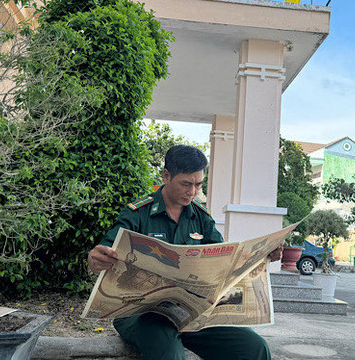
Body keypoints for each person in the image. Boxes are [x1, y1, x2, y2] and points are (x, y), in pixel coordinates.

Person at [88, 145, 283, 360]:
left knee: (254, 347)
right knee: (170, 353)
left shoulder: (201, 218)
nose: (192, 191)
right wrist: (96, 259)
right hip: (141, 314)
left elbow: (226, 262)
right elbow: (104, 255)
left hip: (190, 313)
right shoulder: (138, 214)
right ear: (166, 176)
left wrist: (262, 257)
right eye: (186, 184)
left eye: (198, 184)